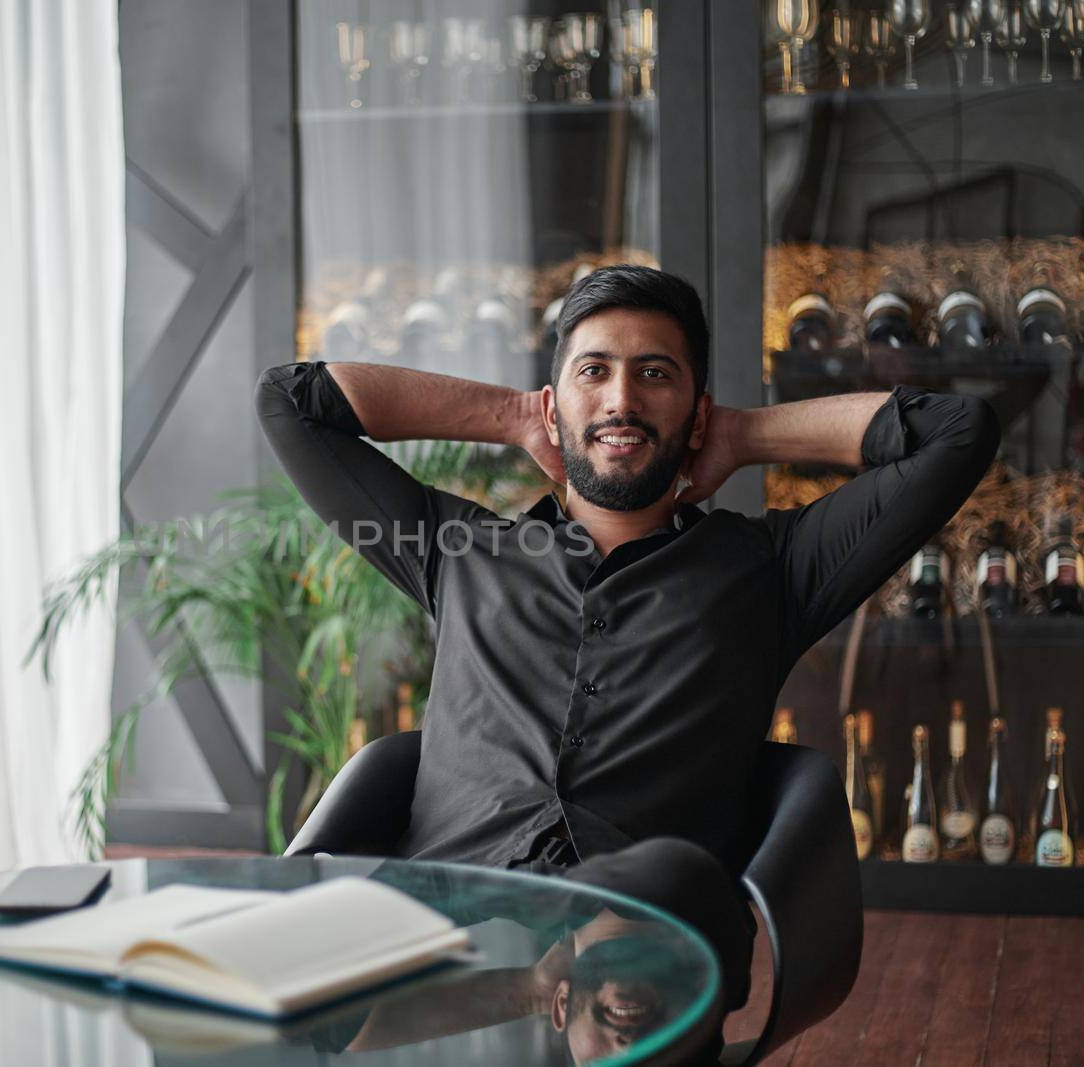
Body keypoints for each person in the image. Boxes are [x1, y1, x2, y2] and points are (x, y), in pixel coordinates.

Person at [255, 265, 1000, 1044]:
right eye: (594, 372)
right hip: (452, 931)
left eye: (655, 375)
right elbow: (290, 400)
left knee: (632, 959)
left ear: (696, 410)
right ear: (556, 403)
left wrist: (742, 435)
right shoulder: (454, 548)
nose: (621, 400)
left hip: (645, 944)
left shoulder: (773, 570)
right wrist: (511, 415)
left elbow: (958, 431)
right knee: (274, 1002)